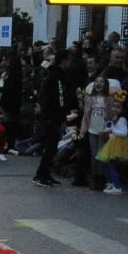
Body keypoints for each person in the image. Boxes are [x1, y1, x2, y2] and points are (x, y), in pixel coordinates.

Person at [32, 50, 73, 186]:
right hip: (52, 116)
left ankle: (46, 173)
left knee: (52, 146)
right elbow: (59, 98)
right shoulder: (57, 77)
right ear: (64, 60)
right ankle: (41, 174)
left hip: (50, 115)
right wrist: (60, 116)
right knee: (51, 146)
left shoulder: (52, 75)